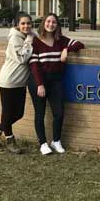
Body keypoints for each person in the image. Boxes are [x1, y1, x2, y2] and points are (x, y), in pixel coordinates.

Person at [28, 13, 84, 155]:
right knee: (39, 114)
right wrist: (40, 84)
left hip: (56, 81)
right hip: (38, 81)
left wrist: (66, 49)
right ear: (43, 23)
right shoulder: (36, 42)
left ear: (57, 25)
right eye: (48, 21)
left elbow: (79, 44)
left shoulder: (61, 40)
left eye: (54, 22)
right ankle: (43, 144)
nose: (50, 24)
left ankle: (56, 141)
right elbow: (34, 65)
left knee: (59, 113)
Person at [0, 13, 36, 154]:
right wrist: (30, 40)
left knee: (18, 113)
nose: (26, 26)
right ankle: (10, 141)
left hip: (20, 82)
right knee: (7, 114)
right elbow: (22, 58)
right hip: (8, 81)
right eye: (23, 23)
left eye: (29, 23)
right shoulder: (15, 38)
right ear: (17, 25)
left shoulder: (27, 36)